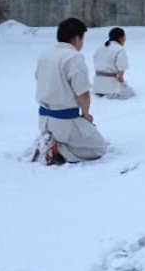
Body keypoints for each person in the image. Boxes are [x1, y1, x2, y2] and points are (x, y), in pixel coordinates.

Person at [32, 18, 107, 165]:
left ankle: (50, 140)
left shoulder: (45, 55)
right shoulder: (73, 57)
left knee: (83, 138)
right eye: (82, 39)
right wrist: (86, 115)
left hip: (44, 119)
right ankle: (59, 150)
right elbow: (83, 93)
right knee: (99, 148)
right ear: (76, 38)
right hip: (65, 121)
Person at [93, 27, 135, 99]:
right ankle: (110, 93)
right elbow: (121, 71)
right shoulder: (120, 49)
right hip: (111, 86)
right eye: (124, 37)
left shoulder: (100, 48)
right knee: (130, 92)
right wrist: (122, 83)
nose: (125, 39)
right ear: (120, 38)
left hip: (97, 85)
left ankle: (103, 92)